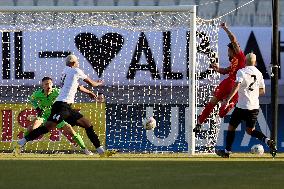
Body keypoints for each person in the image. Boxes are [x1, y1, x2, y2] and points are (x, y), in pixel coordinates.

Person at [18, 55, 116, 157]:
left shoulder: (65, 71)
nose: (78, 63)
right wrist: (98, 83)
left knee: (87, 124)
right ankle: (22, 141)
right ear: (73, 63)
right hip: (61, 106)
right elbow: (92, 83)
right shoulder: (76, 71)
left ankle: (101, 152)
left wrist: (89, 93)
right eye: (77, 61)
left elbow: (77, 86)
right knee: (47, 128)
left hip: (67, 108)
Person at [215, 53, 277, 158]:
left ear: (245, 61)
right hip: (254, 107)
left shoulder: (242, 72)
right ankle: (268, 141)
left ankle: (227, 151)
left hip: (242, 106)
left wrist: (228, 99)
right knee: (250, 131)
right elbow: (262, 91)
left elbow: (237, 86)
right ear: (255, 62)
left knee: (231, 127)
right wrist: (252, 93)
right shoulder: (259, 73)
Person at [193, 22, 246, 133]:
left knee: (212, 103)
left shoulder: (240, 56)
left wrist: (225, 28)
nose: (228, 53)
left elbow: (233, 40)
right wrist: (218, 69)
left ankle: (199, 123)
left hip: (230, 83)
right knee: (221, 114)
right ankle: (228, 103)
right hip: (234, 86)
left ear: (233, 50)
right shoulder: (235, 62)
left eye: (228, 51)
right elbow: (227, 70)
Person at [24, 76, 93, 155]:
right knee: (31, 128)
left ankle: (85, 149)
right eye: (46, 84)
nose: (48, 86)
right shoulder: (37, 94)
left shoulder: (58, 92)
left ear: (52, 84)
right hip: (44, 116)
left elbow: (67, 97)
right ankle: (19, 147)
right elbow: (31, 99)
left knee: (71, 131)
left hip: (56, 116)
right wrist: (37, 108)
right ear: (42, 85)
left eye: (50, 84)